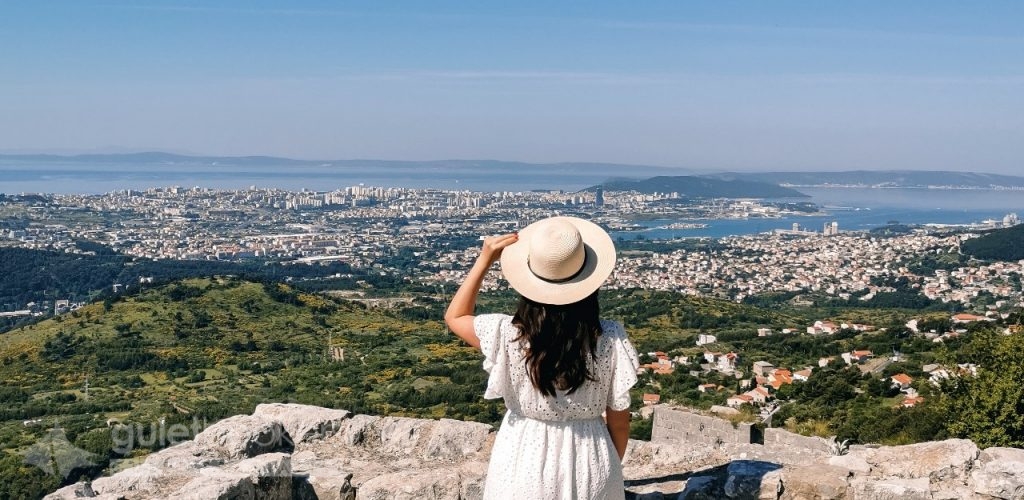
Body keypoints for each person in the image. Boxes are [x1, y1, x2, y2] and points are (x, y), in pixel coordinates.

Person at [445, 216, 639, 499]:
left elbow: (456, 316)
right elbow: (620, 423)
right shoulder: (610, 338)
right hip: (592, 458)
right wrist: (606, 467)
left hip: (521, 457)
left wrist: (484, 260)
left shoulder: (506, 334)